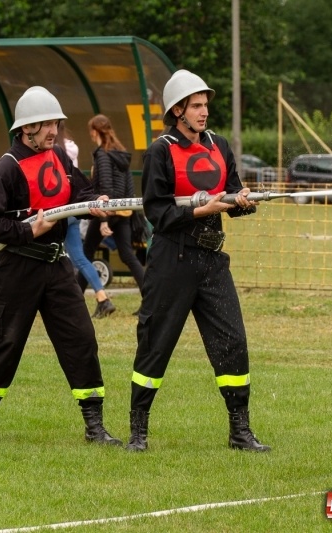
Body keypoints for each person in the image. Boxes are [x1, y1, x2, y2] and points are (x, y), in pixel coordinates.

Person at [126, 70, 270, 453]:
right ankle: (138, 431)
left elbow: (232, 192)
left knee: (233, 341)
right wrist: (196, 211)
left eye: (206, 105)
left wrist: (243, 201)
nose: (204, 112)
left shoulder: (219, 145)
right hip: (172, 258)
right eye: (196, 106)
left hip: (211, 259)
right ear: (178, 110)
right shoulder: (160, 151)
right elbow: (156, 211)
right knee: (156, 343)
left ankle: (240, 432)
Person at [0, 86, 120, 445]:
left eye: (56, 123)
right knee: (3, 343)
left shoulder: (59, 159)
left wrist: (93, 201)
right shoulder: (8, 167)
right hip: (17, 270)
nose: (53, 130)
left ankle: (94, 426)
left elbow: (77, 193)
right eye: (46, 123)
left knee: (81, 339)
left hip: (57, 269)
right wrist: (27, 229)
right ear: (26, 128)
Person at [78, 114, 145, 313]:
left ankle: (73, 303)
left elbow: (105, 187)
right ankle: (150, 300)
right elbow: (129, 184)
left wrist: (104, 219)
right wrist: (127, 210)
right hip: (122, 212)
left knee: (86, 254)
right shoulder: (121, 153)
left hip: (106, 212)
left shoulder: (103, 155)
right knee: (127, 256)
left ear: (94, 132)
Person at [56, 122, 115, 318]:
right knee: (79, 258)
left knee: (52, 256)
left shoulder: (51, 150)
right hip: (74, 208)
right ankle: (101, 297)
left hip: (57, 210)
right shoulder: (71, 148)